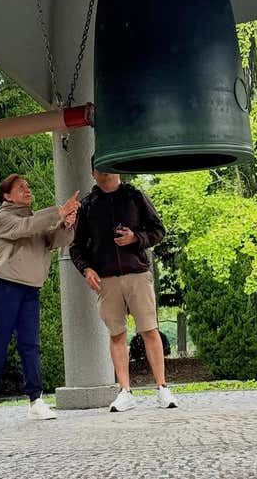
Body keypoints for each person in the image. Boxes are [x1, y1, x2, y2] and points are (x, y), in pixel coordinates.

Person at [70, 156, 178, 412]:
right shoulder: (87, 206)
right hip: (106, 280)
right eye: (98, 168)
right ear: (93, 174)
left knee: (149, 329)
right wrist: (86, 269)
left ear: (117, 169)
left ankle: (162, 388)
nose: (104, 172)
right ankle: (125, 391)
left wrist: (135, 238)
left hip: (137, 274)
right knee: (116, 334)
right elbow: (76, 247)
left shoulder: (135, 196)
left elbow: (158, 230)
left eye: (109, 166)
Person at [0, 174, 79, 424]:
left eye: (28, 187)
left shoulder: (34, 219)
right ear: (7, 196)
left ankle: (35, 399)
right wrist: (58, 211)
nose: (27, 190)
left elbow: (54, 241)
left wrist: (66, 224)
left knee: (30, 345)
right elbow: (25, 228)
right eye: (21, 188)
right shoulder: (4, 217)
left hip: (30, 288)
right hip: (4, 287)